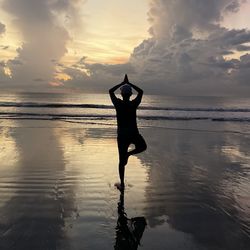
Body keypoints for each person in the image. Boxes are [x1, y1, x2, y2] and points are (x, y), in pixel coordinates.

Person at [109, 74, 147, 190]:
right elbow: (141, 92)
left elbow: (110, 91)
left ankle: (122, 183)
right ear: (130, 94)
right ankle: (129, 154)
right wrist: (129, 83)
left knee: (121, 161)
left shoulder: (118, 104)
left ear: (121, 94)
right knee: (142, 147)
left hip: (122, 135)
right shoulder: (133, 104)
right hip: (133, 133)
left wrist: (122, 83)